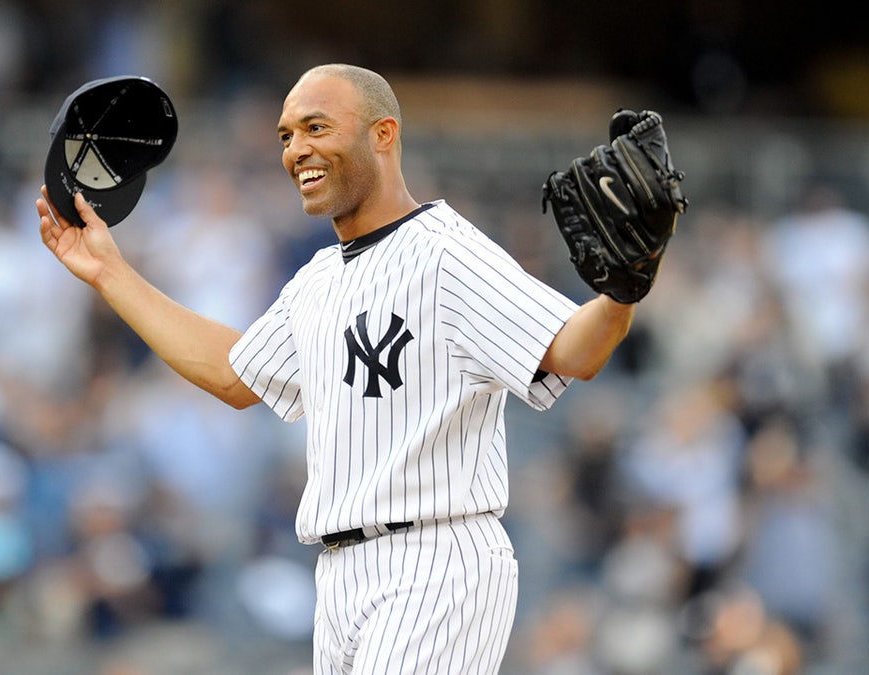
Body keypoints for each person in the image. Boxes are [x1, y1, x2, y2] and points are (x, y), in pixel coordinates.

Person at [37, 63, 639, 674]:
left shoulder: (446, 253)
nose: (297, 150)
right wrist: (109, 272)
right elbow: (232, 375)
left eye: (316, 127)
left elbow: (573, 351)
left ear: (382, 134)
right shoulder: (318, 281)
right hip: (341, 571)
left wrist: (622, 292)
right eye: (285, 136)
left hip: (434, 560)